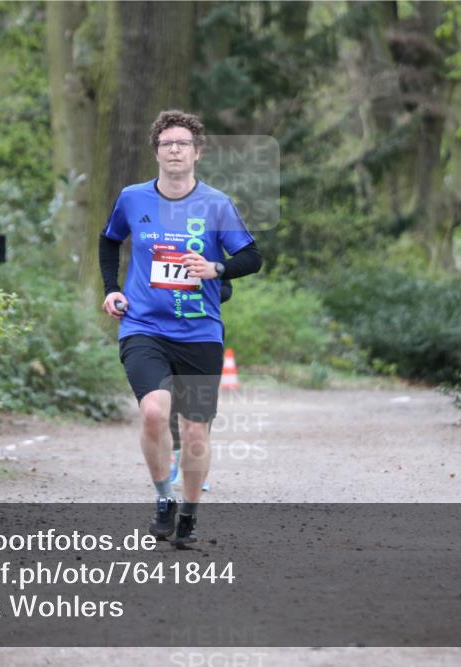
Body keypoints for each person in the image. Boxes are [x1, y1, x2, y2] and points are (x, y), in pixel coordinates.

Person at [99, 110, 262, 548]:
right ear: (156, 152)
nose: (175, 150)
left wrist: (215, 267)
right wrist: (112, 288)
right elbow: (110, 239)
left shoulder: (216, 203)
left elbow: (252, 257)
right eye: (167, 143)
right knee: (153, 412)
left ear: (197, 153)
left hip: (199, 332)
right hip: (143, 325)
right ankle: (163, 499)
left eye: (183, 144)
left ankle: (189, 512)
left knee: (194, 430)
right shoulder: (133, 198)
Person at [169, 278, 232, 491]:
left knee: (201, 406)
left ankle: (196, 466)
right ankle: (177, 456)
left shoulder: (207, 249)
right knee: (170, 400)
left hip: (203, 333)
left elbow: (226, 289)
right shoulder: (158, 248)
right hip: (163, 333)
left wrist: (197, 295)